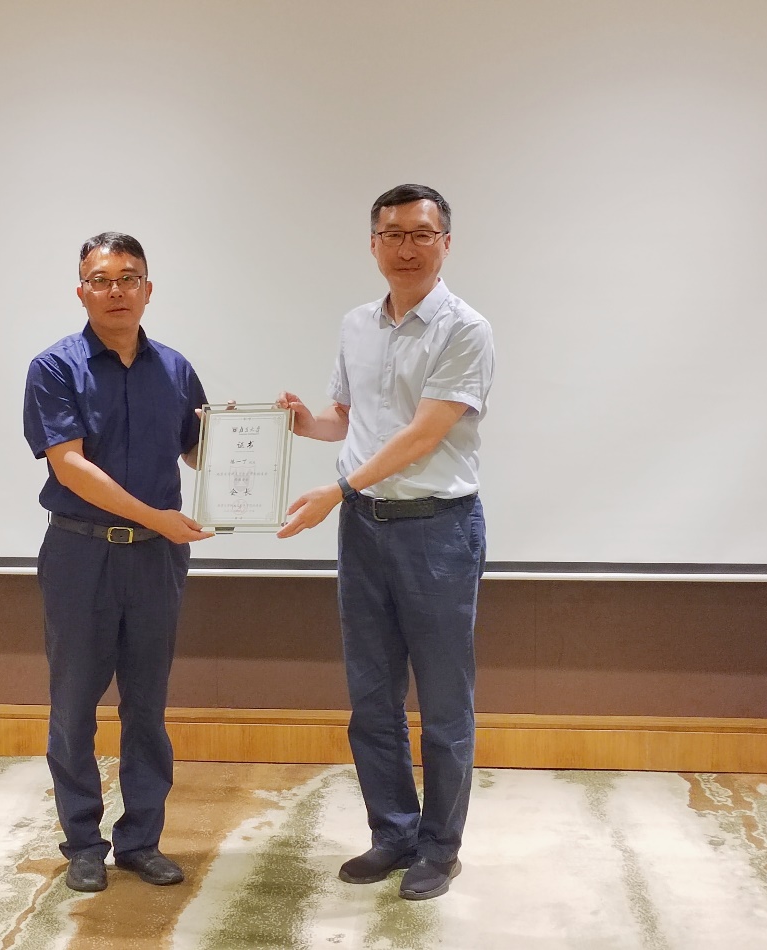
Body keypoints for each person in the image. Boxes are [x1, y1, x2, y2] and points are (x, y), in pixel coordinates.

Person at [277, 184, 494, 901]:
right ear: (373, 244)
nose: (407, 248)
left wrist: (337, 489)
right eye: (393, 235)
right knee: (371, 696)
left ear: (445, 244)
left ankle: (439, 847)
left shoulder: (465, 329)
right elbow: (352, 420)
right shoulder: (356, 324)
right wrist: (306, 425)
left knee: (443, 701)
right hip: (364, 530)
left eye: (421, 235)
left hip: (438, 530)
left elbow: (423, 434)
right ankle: (393, 833)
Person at [23, 231, 211, 893]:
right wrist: (157, 516)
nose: (115, 291)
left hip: (156, 562)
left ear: (147, 290)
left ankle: (141, 842)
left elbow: (200, 451)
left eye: (128, 278)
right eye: (100, 280)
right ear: (81, 291)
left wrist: (260, 438)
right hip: (80, 554)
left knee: (147, 708)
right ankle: (82, 843)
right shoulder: (55, 367)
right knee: (74, 705)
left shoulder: (175, 370)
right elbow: (70, 467)